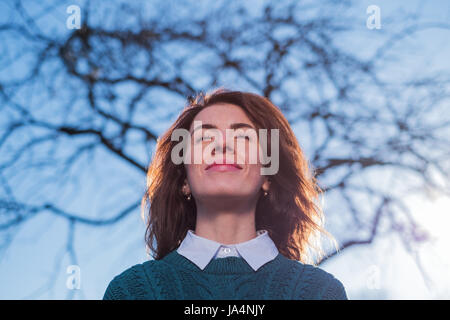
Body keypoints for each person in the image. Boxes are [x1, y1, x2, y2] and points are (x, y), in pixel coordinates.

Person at [103, 88, 348, 300]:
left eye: (243, 137)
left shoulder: (320, 292)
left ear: (268, 178)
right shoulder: (131, 291)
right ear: (184, 182)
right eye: (204, 138)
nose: (222, 146)